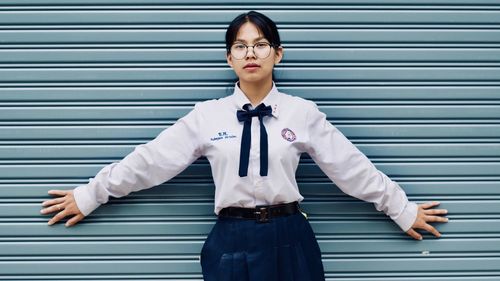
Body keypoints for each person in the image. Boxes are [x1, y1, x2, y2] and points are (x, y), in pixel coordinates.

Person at [40, 11, 449, 281]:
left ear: (278, 54)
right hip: (230, 241)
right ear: (229, 58)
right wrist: (89, 194)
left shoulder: (301, 112)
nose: (250, 53)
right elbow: (150, 161)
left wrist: (402, 208)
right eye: (240, 45)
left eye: (260, 44)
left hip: (291, 237)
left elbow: (350, 168)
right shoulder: (207, 115)